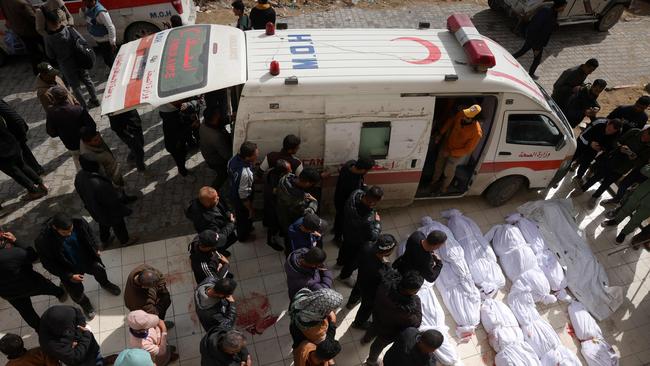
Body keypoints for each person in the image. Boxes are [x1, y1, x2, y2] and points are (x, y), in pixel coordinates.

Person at [35, 213, 122, 320]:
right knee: (76, 292)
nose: (69, 234)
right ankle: (85, 304)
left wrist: (95, 248)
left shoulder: (79, 222)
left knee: (99, 271)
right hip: (68, 268)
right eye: (65, 233)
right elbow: (49, 264)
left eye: (71, 231)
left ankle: (105, 284)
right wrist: (69, 275)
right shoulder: (43, 241)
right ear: (54, 228)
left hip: (87, 258)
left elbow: (90, 234)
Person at [0, 230, 66, 330]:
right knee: (48, 287)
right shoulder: (14, 253)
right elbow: (33, 256)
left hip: (9, 293)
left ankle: (40, 330)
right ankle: (60, 294)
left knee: (27, 313)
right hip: (30, 283)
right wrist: (16, 240)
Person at [573, 128, 650, 209]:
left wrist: (634, 158)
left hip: (623, 168)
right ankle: (583, 189)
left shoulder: (648, 147)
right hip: (613, 160)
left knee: (606, 184)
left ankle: (595, 197)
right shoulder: (635, 132)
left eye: (648, 139)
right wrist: (621, 147)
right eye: (646, 135)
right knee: (597, 176)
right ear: (645, 131)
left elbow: (641, 163)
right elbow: (616, 141)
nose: (645, 138)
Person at [362, 271, 424, 366]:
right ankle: (371, 361)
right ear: (413, 291)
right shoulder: (407, 311)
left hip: (377, 317)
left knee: (372, 329)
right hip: (388, 332)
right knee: (378, 345)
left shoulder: (386, 284)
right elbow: (416, 323)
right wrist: (417, 301)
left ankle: (365, 339)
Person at [74, 154, 137, 247]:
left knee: (103, 224)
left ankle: (105, 240)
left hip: (95, 209)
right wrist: (125, 210)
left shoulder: (79, 177)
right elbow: (113, 202)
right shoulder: (99, 185)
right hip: (109, 211)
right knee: (118, 225)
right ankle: (125, 241)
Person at [43, 12, 99, 108]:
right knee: (87, 80)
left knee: (75, 86)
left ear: (48, 24)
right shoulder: (69, 29)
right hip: (79, 60)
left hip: (66, 66)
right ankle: (95, 99)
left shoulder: (48, 38)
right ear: (58, 21)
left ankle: (84, 106)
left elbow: (50, 55)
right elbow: (82, 41)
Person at [336, 186, 383, 288]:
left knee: (344, 248)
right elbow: (372, 236)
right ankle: (344, 276)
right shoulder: (367, 219)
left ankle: (339, 263)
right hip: (358, 240)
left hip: (347, 231)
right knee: (353, 260)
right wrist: (378, 223)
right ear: (373, 201)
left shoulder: (355, 194)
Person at [349, 234, 397, 330]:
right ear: (386, 253)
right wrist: (388, 266)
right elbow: (386, 283)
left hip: (361, 277)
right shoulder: (382, 270)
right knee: (366, 307)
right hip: (370, 290)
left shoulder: (367, 246)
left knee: (357, 289)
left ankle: (351, 302)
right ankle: (359, 323)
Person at [432, 104, 483, 194]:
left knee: (448, 171)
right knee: (438, 165)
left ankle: (443, 188)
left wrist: (450, 153)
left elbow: (467, 150)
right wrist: (440, 134)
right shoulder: (462, 114)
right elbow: (450, 122)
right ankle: (433, 182)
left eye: (467, 118)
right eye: (465, 114)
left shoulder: (476, 133)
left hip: (455, 154)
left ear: (474, 120)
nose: (464, 117)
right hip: (446, 145)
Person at [511, 0, 567, 79]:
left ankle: (510, 59)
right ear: (559, 6)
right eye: (563, 7)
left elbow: (548, 27)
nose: (564, 9)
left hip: (535, 40)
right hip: (535, 40)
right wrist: (537, 46)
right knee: (536, 59)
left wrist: (555, 26)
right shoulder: (546, 12)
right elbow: (536, 28)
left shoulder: (553, 13)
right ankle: (530, 74)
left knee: (522, 52)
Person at [46, 85, 97, 170]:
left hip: (71, 145)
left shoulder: (51, 113)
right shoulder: (78, 109)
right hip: (87, 142)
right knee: (95, 162)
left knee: (80, 166)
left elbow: (52, 133)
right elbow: (92, 126)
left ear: (54, 99)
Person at [80, 127, 137, 202]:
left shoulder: (93, 138)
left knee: (120, 186)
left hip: (113, 169)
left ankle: (123, 197)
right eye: (95, 140)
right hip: (110, 177)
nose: (99, 140)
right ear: (87, 142)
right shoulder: (89, 156)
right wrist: (112, 184)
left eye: (99, 137)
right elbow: (100, 173)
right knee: (116, 192)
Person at [0, 115, 48, 200]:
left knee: (15, 172)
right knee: (22, 165)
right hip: (11, 143)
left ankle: (34, 191)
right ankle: (41, 183)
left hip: (3, 153)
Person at [602, 164, 650, 244]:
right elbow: (644, 169)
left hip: (648, 205)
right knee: (625, 209)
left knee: (636, 219)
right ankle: (615, 221)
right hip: (639, 193)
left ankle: (623, 233)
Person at [276, 168, 321, 254]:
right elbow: (308, 214)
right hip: (290, 220)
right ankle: (291, 254)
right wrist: (314, 201)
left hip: (281, 212)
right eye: (311, 184)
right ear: (307, 183)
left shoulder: (286, 178)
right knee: (290, 239)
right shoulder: (298, 197)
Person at [332, 157, 374, 242]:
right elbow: (354, 196)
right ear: (363, 170)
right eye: (367, 170)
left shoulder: (350, 164)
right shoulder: (351, 182)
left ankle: (335, 229)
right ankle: (337, 237)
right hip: (344, 203)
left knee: (339, 216)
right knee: (343, 220)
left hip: (338, 198)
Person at [185, 186, 238, 254]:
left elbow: (223, 205)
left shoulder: (209, 199)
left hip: (222, 224)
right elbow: (219, 236)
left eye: (217, 196)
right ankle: (220, 252)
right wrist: (231, 223)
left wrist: (228, 213)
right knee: (220, 246)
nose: (218, 198)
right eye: (216, 199)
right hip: (219, 237)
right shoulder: (206, 221)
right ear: (209, 204)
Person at [0, 98, 44, 175]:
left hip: (10, 133)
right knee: (22, 151)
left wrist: (21, 130)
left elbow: (13, 116)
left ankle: (35, 172)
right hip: (10, 132)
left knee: (21, 152)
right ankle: (35, 170)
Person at [0, 0, 45, 74]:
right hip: (31, 31)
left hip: (19, 31)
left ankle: (36, 70)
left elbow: (6, 14)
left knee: (32, 51)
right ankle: (46, 68)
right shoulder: (21, 3)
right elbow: (33, 18)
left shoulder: (4, 2)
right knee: (40, 50)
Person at [159, 100, 198, 180]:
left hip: (178, 142)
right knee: (180, 160)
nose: (180, 101)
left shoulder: (169, 112)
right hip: (175, 145)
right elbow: (180, 131)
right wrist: (192, 126)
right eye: (176, 101)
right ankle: (183, 173)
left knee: (183, 154)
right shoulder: (170, 118)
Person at [227, 141, 259, 242]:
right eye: (255, 155)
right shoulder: (245, 173)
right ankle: (243, 236)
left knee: (242, 218)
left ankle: (247, 227)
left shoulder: (232, 160)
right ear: (247, 157)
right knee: (244, 219)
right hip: (241, 200)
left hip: (233, 192)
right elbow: (244, 196)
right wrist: (250, 209)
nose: (257, 157)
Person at [200, 107, 233, 191]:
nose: (220, 116)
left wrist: (231, 118)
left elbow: (220, 123)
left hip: (208, 152)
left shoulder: (205, 123)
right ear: (214, 119)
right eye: (218, 116)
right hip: (215, 160)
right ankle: (212, 191)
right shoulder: (215, 137)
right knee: (223, 175)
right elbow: (227, 155)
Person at [262, 159, 291, 251]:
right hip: (273, 205)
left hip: (272, 203)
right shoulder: (275, 182)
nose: (290, 171)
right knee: (273, 224)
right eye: (288, 170)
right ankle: (271, 241)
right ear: (281, 172)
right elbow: (276, 193)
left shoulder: (270, 171)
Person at [79, 0, 116, 67]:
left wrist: (112, 42)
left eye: (87, 1)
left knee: (110, 60)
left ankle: (115, 74)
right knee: (107, 59)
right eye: (84, 1)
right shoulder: (88, 9)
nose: (86, 3)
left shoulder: (101, 12)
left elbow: (110, 27)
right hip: (99, 40)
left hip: (105, 40)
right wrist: (82, 11)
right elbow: (85, 18)